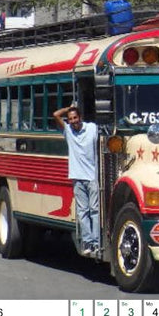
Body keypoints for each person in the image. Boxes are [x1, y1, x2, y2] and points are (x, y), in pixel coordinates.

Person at [54, 103, 100, 258]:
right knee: (82, 212)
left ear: (80, 118)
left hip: (92, 177)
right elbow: (55, 115)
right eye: (70, 119)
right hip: (77, 177)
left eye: (75, 118)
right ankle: (88, 242)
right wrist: (68, 108)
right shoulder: (68, 131)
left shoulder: (92, 128)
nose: (73, 121)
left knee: (94, 210)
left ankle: (96, 242)